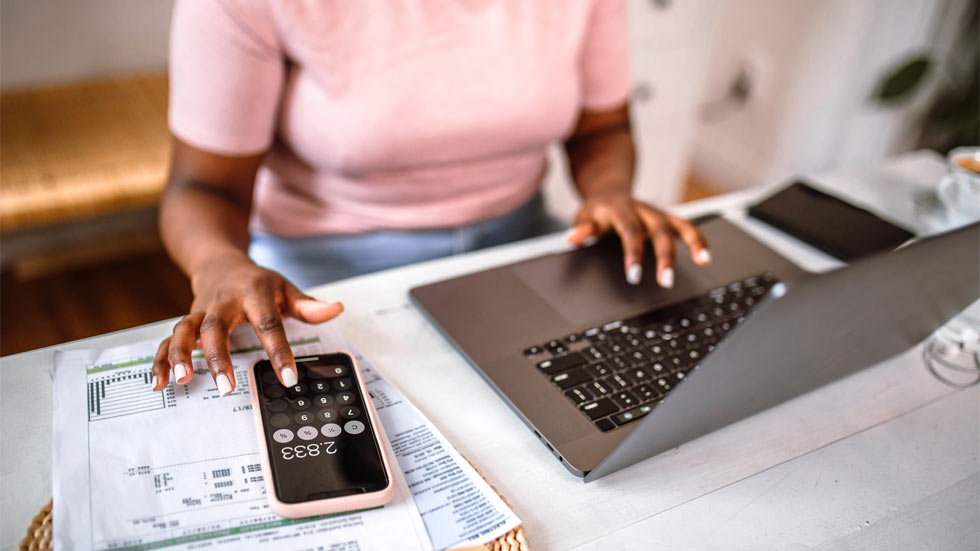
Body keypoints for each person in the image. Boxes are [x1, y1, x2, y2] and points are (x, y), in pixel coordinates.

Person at [151, 0, 710, 396]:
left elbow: (602, 128)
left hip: (516, 241)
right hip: (321, 271)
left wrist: (609, 191)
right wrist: (219, 262)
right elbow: (204, 186)